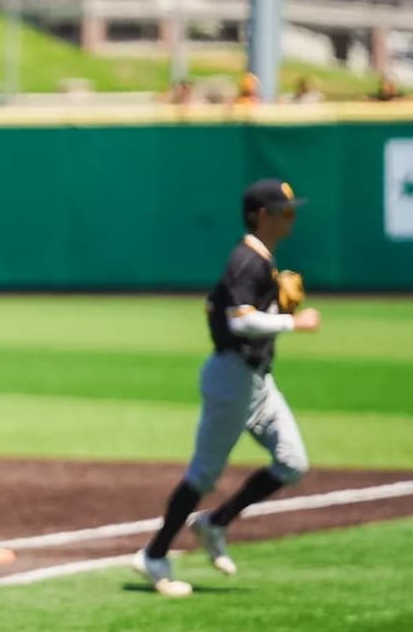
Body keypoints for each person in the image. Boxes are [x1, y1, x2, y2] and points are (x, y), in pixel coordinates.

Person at [132, 178, 321, 597]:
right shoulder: (246, 260)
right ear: (261, 215)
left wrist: (275, 303)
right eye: (284, 211)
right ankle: (154, 554)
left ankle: (215, 523)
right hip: (231, 378)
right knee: (204, 473)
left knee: (292, 462)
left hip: (258, 380)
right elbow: (240, 321)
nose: (291, 218)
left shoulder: (263, 260)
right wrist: (293, 321)